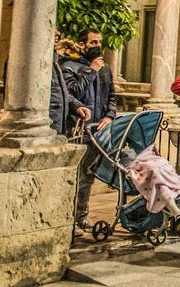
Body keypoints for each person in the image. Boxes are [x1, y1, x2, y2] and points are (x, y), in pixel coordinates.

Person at [61, 28, 117, 233]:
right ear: (82, 45)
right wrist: (91, 70)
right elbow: (72, 93)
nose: (98, 46)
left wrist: (109, 116)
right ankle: (67, 218)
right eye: (93, 43)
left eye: (99, 42)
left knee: (88, 176)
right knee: (75, 176)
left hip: (98, 131)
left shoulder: (105, 69)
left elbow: (112, 96)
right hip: (77, 130)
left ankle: (81, 217)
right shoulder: (69, 66)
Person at [50, 30, 91, 140]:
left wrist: (76, 106)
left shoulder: (52, 59)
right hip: (44, 129)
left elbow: (58, 91)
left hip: (56, 127)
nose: (58, 33)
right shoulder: (30, 58)